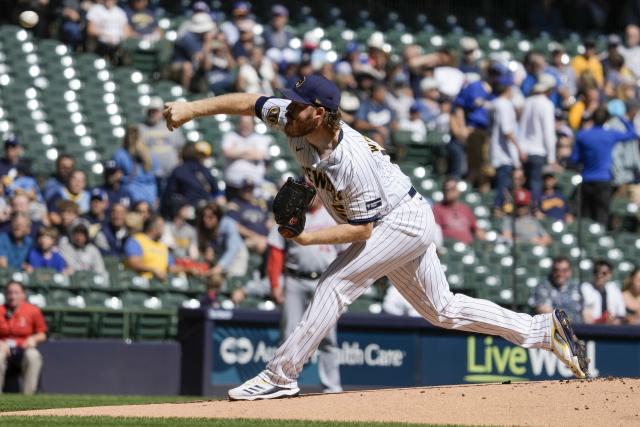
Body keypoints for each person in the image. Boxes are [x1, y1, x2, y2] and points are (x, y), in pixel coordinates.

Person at [163, 73, 590, 401]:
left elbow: (363, 231)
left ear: (319, 112)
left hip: (399, 220)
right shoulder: (294, 119)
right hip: (399, 216)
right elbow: (248, 102)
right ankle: (543, 330)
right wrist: (190, 108)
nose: (287, 110)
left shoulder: (349, 159)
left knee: (334, 283)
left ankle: (280, 376)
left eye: (297, 106)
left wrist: (308, 238)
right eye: (289, 104)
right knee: (442, 310)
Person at [266, 194, 342, 393]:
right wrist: (275, 283)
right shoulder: (292, 214)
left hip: (325, 280)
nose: (312, 195)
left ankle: (332, 388)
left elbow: (345, 251)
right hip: (295, 280)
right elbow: (276, 249)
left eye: (315, 189)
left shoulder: (333, 214)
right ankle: (280, 383)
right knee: (289, 334)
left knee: (328, 337)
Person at [571, 107, 638, 225]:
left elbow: (575, 159)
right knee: (602, 215)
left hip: (586, 179)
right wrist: (623, 120)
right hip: (603, 180)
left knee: (587, 215)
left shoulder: (583, 135)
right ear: (606, 119)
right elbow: (632, 134)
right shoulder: (609, 134)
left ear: (592, 119)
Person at [0, 281, 46, 395]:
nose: (13, 296)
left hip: (24, 348)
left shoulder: (33, 310)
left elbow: (43, 334)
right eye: (10, 293)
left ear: (23, 294)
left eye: (16, 293)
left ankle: (28, 398)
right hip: (3, 349)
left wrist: (33, 339)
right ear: (5, 294)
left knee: (33, 356)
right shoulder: (1, 310)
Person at [518, 73, 558, 207]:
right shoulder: (546, 104)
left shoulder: (527, 102)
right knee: (535, 184)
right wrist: (552, 157)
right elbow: (548, 132)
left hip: (523, 150)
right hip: (538, 150)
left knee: (526, 184)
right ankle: (534, 209)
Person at [489, 72, 522, 211]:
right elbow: (507, 131)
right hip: (504, 152)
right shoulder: (504, 104)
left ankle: (501, 207)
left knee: (503, 183)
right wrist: (519, 149)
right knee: (503, 183)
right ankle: (498, 208)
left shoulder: (496, 103)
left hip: (499, 150)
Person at [163, 141, 223, 213]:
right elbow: (216, 190)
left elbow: (169, 195)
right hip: (205, 210)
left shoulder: (178, 171)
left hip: (187, 210)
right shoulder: (205, 170)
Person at [137, 97, 186, 184]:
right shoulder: (141, 128)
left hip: (172, 172)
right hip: (151, 174)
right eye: (150, 111)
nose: (153, 113)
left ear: (161, 112)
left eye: (155, 111)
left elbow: (181, 148)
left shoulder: (171, 126)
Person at [112, 125, 159, 209]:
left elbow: (116, 177)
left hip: (130, 195)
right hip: (149, 195)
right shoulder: (150, 153)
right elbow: (155, 176)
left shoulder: (120, 154)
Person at [196, 203, 248, 279]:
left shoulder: (228, 224)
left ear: (218, 217)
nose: (206, 220)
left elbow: (233, 249)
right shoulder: (204, 227)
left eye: (210, 217)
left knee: (233, 281)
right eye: (204, 216)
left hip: (237, 256)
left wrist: (219, 267)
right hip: (220, 256)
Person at [221, 116, 271, 193]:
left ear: (253, 125)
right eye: (243, 123)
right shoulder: (230, 136)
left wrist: (237, 151)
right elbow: (227, 153)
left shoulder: (260, 138)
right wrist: (248, 152)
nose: (245, 125)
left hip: (254, 187)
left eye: (248, 123)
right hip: (232, 185)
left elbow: (259, 156)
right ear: (239, 124)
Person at [124, 214, 181, 281]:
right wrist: (153, 270)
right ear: (152, 227)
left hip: (160, 284)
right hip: (141, 283)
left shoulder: (163, 246)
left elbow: (171, 267)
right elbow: (133, 263)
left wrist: (189, 270)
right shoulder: (136, 240)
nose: (164, 229)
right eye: (161, 226)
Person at [432, 177, 485, 245]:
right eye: (446, 189)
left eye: (452, 189)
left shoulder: (465, 209)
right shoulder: (437, 209)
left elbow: (476, 229)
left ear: (458, 191)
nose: (448, 191)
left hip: (467, 247)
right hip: (448, 248)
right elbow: (435, 232)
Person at [532, 256, 584, 323]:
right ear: (552, 271)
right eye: (556, 270)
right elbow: (545, 312)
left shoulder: (578, 287)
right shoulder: (543, 287)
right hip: (553, 330)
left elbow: (586, 313)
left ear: (570, 271)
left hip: (578, 329)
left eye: (564, 270)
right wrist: (567, 323)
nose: (560, 274)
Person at [226, 180, 272, 255]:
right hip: (246, 239)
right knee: (262, 244)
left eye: (250, 189)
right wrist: (256, 237)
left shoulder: (258, 204)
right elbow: (236, 226)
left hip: (264, 238)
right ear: (241, 189)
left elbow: (268, 222)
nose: (248, 191)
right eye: (245, 189)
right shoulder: (236, 204)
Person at [581, 260, 627, 325]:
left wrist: (614, 320)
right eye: (596, 272)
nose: (599, 275)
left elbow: (621, 314)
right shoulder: (585, 288)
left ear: (610, 275)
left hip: (611, 329)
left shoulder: (615, 289)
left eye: (604, 273)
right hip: (591, 329)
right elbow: (586, 317)